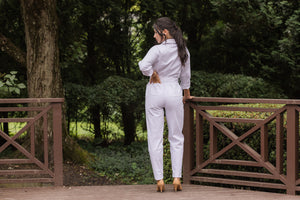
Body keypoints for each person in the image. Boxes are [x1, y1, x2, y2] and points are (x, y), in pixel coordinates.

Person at [138, 17, 192, 192]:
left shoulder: (156, 50)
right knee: (176, 136)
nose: (154, 36)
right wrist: (187, 93)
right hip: (173, 91)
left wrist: (151, 72)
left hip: (155, 90)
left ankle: (160, 180)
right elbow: (186, 75)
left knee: (155, 137)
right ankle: (176, 178)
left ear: (165, 32)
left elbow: (143, 65)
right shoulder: (183, 50)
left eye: (155, 32)